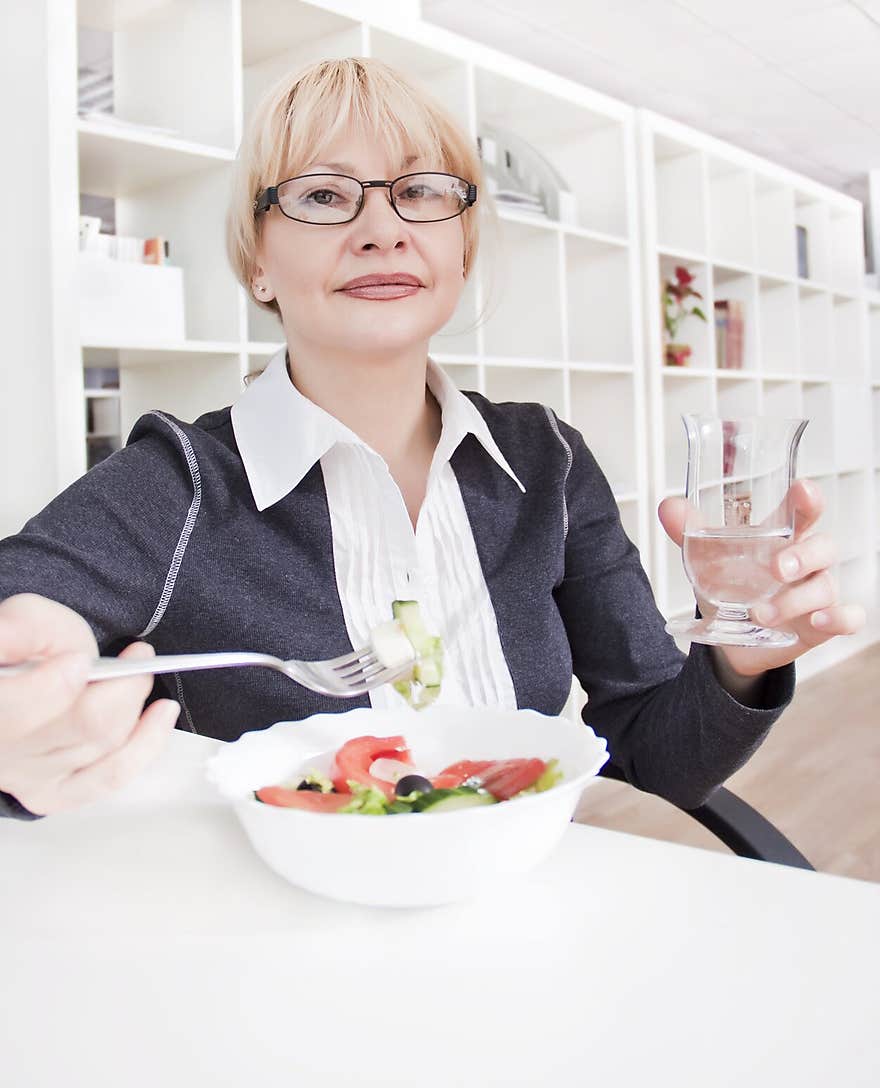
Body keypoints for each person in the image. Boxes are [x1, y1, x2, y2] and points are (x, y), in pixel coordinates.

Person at [0, 58, 864, 822]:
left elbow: (656, 755)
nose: (383, 229)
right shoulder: (179, 485)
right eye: (323, 196)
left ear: (461, 248)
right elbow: (23, 614)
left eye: (420, 192)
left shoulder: (547, 463)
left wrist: (743, 661)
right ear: (256, 259)